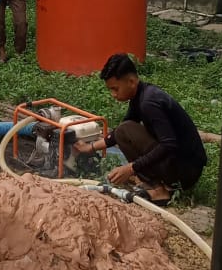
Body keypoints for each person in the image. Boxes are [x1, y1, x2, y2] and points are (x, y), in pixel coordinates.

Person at [75, 53, 206, 204]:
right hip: (181, 163)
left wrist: (131, 168)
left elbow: (169, 144)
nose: (113, 94)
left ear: (131, 81)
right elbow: (119, 133)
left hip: (186, 171)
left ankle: (159, 190)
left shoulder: (148, 103)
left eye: (115, 89)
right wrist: (90, 147)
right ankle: (155, 182)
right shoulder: (141, 95)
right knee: (124, 130)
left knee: (126, 130)